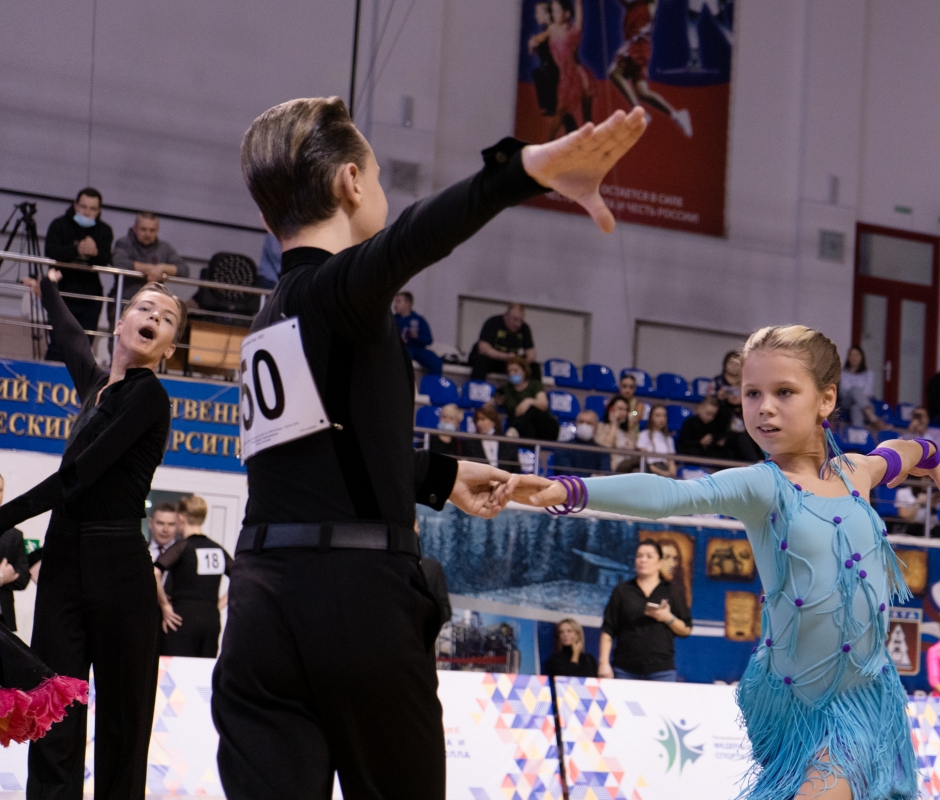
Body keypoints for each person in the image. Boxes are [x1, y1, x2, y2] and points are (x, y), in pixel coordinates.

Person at [211, 96, 646, 800]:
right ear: (351, 182)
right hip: (355, 602)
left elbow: (320, 463)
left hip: (258, 605)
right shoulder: (335, 290)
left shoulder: (269, 318)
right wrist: (525, 170)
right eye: (380, 174)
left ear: (267, 218)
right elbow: (416, 236)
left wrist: (439, 476)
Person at [515, 324, 940, 800]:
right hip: (803, 707)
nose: (764, 407)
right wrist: (567, 489)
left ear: (826, 399)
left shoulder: (856, 471)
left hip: (868, 697)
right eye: (752, 393)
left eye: (784, 392)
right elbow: (669, 494)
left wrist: (929, 456)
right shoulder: (763, 484)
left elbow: (901, 452)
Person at [10, 267, 186, 799]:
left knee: (122, 721)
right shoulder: (95, 388)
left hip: (118, 564)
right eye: (144, 308)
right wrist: (48, 287)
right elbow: (70, 339)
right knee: (55, 704)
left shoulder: (149, 397)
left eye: (166, 318)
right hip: (64, 561)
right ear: (120, 322)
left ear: (169, 348)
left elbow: (78, 476)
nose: (154, 317)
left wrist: (3, 515)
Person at [596, 540, 691, 681]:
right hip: (624, 670)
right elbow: (608, 630)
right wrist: (603, 663)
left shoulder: (673, 592)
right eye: (639, 556)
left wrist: (668, 618)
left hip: (661, 671)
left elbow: (686, 630)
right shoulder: (622, 591)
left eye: (649, 556)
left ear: (659, 562)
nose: (643, 560)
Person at [154, 496, 232, 658]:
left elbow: (155, 572)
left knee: (177, 668)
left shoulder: (182, 547)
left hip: (181, 619)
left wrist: (165, 605)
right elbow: (239, 577)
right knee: (205, 668)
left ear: (181, 517)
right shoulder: (217, 550)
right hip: (211, 620)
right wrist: (218, 604)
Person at [42, 188, 113, 360]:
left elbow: (106, 259)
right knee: (58, 345)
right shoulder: (59, 224)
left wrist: (95, 253)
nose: (87, 212)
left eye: (92, 209)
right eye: (83, 207)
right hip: (62, 292)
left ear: (99, 210)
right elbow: (51, 251)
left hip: (90, 296)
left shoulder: (104, 230)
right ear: (75, 205)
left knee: (83, 348)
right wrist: (76, 249)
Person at [609, 0, 693, 137]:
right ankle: (677, 115)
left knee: (614, 72)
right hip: (641, 47)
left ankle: (638, 112)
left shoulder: (648, 4)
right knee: (642, 92)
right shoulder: (634, 5)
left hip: (637, 46)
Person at [108, 212, 187, 326]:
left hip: (154, 309)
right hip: (124, 305)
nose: (147, 234)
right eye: (143, 229)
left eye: (152, 230)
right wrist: (151, 269)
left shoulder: (164, 248)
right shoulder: (124, 243)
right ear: (135, 228)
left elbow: (184, 270)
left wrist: (162, 268)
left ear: (157, 230)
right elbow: (118, 262)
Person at [537, 0, 593, 140]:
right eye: (553, 11)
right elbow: (540, 38)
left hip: (579, 76)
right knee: (560, 112)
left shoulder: (573, 32)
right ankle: (548, 144)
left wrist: (578, 3)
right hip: (565, 77)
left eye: (557, 11)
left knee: (586, 116)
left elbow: (579, 19)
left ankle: (591, 144)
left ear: (567, 14)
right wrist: (534, 42)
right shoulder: (552, 29)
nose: (554, 14)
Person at [491, 356, 559, 441]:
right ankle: (516, 430)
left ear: (524, 371)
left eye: (515, 370)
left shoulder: (535, 385)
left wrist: (528, 401)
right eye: (509, 371)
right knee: (527, 427)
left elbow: (543, 405)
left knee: (531, 409)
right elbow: (488, 405)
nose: (512, 373)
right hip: (525, 431)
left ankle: (515, 429)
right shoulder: (505, 389)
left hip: (543, 427)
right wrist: (496, 403)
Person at [468, 303, 538, 380]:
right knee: (481, 360)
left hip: (509, 363)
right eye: (515, 319)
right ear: (506, 316)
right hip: (492, 360)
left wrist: (520, 361)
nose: (518, 324)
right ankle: (477, 385)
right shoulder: (493, 322)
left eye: (521, 320)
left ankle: (535, 388)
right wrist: (506, 356)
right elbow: (483, 349)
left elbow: (532, 354)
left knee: (534, 366)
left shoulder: (524, 328)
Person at [0, 474, 31, 633]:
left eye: (0, 490)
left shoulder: (14, 535)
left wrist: (7, 576)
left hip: (5, 622)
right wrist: (1, 577)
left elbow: (23, 578)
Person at [392, 291, 442, 376]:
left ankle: (431, 383)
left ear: (407, 303)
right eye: (395, 302)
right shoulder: (393, 320)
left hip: (418, 348)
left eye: (398, 302)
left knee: (436, 361)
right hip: (402, 348)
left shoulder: (419, 320)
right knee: (404, 357)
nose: (395, 305)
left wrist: (417, 336)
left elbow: (429, 340)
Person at [677, 394, 730, 461]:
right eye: (708, 413)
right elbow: (684, 442)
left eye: (713, 415)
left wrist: (718, 441)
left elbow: (718, 437)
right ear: (700, 409)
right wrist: (700, 442)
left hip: (707, 452)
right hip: (691, 450)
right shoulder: (689, 422)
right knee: (694, 452)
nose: (710, 418)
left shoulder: (714, 425)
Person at [554, 409, 606, 476]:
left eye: (589, 423)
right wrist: (592, 476)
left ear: (596, 428)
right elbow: (567, 473)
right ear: (576, 424)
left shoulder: (602, 452)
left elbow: (605, 474)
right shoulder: (563, 448)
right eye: (581, 422)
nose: (584, 425)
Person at [595, 396, 639, 472]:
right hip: (613, 467)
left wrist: (631, 449)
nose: (624, 413)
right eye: (620, 409)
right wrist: (614, 424)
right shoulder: (601, 427)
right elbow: (605, 447)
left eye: (626, 410)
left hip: (629, 467)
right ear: (611, 409)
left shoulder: (629, 433)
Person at [473, 406, 521, 473]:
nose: (479, 423)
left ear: (493, 422)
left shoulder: (507, 443)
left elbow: (516, 468)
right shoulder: (472, 444)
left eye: (483, 419)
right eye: (477, 420)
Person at [839, 345, 875, 428]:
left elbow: (868, 392)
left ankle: (858, 432)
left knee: (856, 407)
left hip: (863, 401)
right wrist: (856, 392)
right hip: (846, 401)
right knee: (855, 390)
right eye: (852, 355)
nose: (854, 358)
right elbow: (843, 390)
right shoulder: (843, 373)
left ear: (862, 357)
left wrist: (858, 396)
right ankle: (873, 419)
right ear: (848, 358)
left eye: (857, 355)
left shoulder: (869, 374)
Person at [637, 404, 676, 478]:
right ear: (651, 417)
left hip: (665, 469)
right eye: (658, 415)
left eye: (664, 416)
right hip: (650, 472)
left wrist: (671, 472)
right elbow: (645, 461)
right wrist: (663, 473)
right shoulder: (644, 435)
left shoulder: (669, 439)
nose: (662, 419)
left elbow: (671, 462)